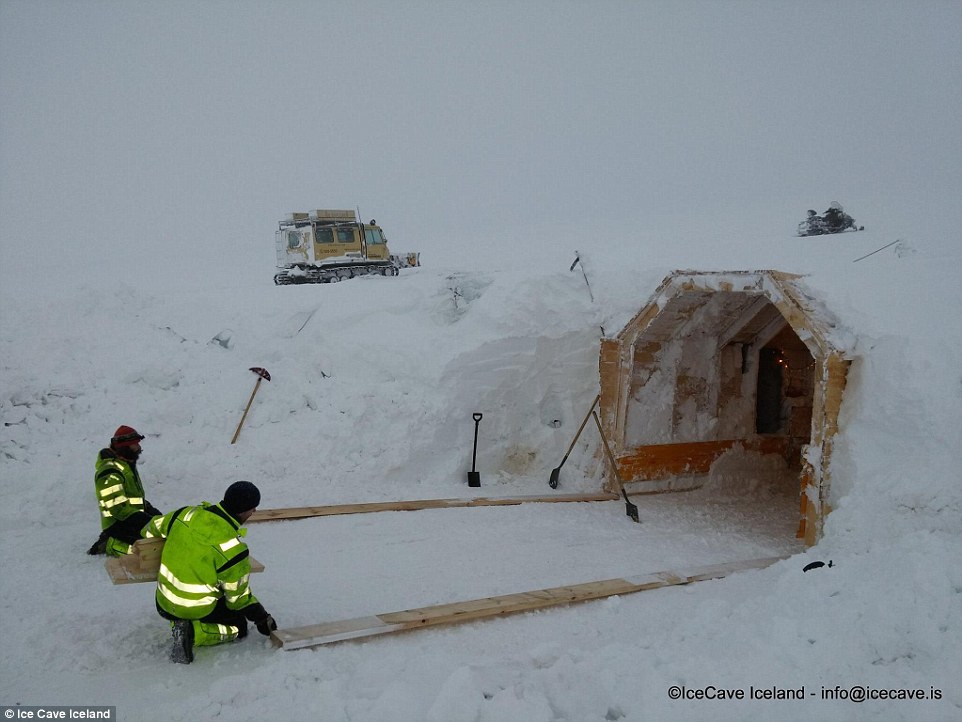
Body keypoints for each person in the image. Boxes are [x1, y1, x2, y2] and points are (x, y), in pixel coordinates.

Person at [144, 480, 277, 664]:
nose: (254, 512)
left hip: (163, 602)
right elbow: (237, 599)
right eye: (253, 508)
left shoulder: (186, 514)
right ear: (244, 510)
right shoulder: (233, 550)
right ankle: (192, 632)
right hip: (193, 608)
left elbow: (152, 527)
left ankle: (181, 623)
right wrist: (261, 617)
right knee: (239, 627)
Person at [89, 425, 163, 556]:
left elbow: (131, 496)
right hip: (117, 523)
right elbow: (117, 509)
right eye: (134, 445)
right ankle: (110, 542)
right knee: (149, 550)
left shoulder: (126, 464)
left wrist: (149, 510)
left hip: (131, 517)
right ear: (124, 447)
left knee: (162, 534)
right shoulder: (110, 471)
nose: (139, 448)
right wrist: (144, 520)